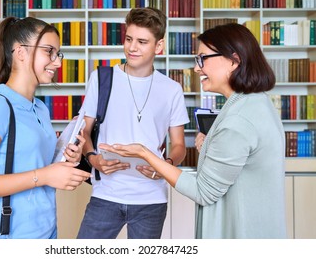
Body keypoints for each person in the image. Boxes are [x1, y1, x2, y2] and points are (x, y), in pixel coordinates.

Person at [99, 23, 287, 239]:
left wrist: (144, 153)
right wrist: (211, 144)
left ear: (234, 61)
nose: (197, 68)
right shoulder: (256, 103)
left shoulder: (238, 119)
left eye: (202, 59)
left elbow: (203, 191)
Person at [0, 17, 91, 239]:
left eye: (58, 54)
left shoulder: (39, 108)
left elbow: (36, 164)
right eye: (49, 51)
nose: (57, 62)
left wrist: (68, 158)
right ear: (20, 52)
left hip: (46, 232)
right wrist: (45, 176)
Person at [77, 7, 190, 239]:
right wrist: (93, 159)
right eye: (129, 39)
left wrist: (164, 166)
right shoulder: (101, 78)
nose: (132, 47)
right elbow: (84, 132)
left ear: (158, 46)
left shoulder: (172, 89)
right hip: (106, 195)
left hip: (151, 200)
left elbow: (179, 146)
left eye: (142, 41)